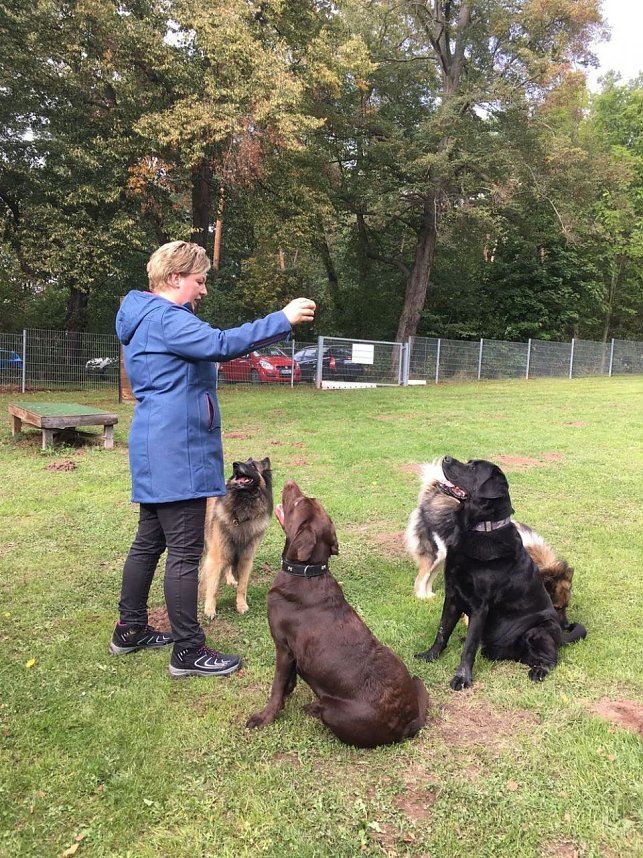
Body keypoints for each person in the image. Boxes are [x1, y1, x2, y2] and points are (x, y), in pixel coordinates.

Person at [109, 240, 315, 678]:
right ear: (174, 278)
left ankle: (130, 629)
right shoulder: (166, 318)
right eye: (199, 281)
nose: (203, 290)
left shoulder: (147, 317)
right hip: (179, 447)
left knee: (149, 541)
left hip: (156, 442)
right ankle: (188, 651)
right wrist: (281, 319)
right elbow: (221, 343)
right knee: (185, 552)